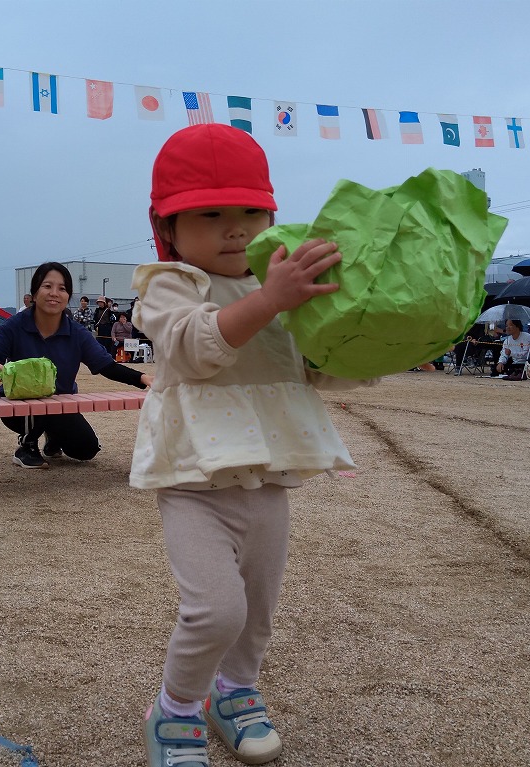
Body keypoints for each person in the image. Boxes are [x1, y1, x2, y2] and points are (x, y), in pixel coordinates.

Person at [132, 124, 370, 767]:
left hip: (266, 474)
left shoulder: (283, 285)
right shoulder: (172, 283)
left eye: (249, 212)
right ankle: (176, 709)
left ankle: (233, 691)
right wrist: (271, 298)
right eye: (209, 214)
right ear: (168, 228)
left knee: (258, 610)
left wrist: (383, 340)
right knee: (216, 610)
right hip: (193, 479)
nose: (235, 229)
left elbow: (318, 368)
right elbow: (192, 347)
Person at [0, 262, 151, 469]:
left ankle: (53, 437)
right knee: (37, 409)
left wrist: (142, 378)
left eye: (62, 288)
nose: (54, 293)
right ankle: (27, 445)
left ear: (68, 296)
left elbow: (106, 366)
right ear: (34, 293)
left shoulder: (77, 333)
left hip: (60, 404)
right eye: (47, 286)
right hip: (17, 406)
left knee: (86, 449)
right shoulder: (14, 326)